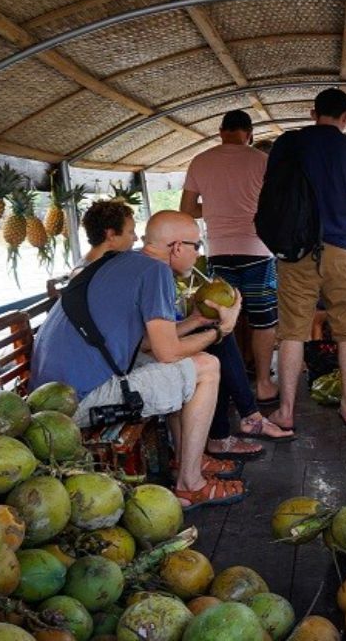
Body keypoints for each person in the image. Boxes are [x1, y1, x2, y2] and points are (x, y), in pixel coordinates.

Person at [30, 210, 247, 509]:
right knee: (207, 367)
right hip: (74, 405)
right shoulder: (156, 272)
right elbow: (167, 351)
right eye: (196, 245)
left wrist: (197, 320)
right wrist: (222, 330)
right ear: (177, 247)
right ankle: (190, 485)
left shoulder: (122, 262)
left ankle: (186, 460)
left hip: (52, 399)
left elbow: (146, 343)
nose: (199, 253)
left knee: (182, 366)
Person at [266, 89, 346, 429]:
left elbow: (272, 192)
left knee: (292, 333)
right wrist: (343, 215)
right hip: (342, 249)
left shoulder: (288, 143)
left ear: (313, 112)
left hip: (296, 249)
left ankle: (286, 412)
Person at [179, 110, 280, 404]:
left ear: (220, 131)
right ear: (249, 134)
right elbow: (274, 206)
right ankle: (263, 384)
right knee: (263, 320)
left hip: (220, 252)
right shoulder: (263, 161)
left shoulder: (201, 161)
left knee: (224, 320)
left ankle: (233, 387)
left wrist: (214, 207)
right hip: (258, 252)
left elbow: (187, 209)